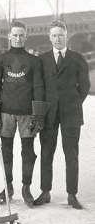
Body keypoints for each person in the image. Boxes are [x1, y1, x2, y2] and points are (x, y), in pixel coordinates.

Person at [0, 21, 46, 207]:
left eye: (22, 35)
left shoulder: (34, 61)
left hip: (27, 114)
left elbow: (38, 87)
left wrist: (38, 115)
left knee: (28, 153)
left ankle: (26, 187)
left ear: (26, 37)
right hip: (5, 114)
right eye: (15, 34)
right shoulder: (1, 59)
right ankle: (8, 186)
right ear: (9, 36)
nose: (18, 38)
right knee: (6, 152)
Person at [35, 20, 90, 209]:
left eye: (61, 35)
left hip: (71, 114)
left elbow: (85, 87)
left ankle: (72, 194)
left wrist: (72, 103)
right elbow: (39, 87)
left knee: (71, 155)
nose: (58, 38)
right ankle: (45, 191)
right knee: (46, 153)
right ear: (49, 37)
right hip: (48, 114)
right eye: (54, 35)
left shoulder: (77, 58)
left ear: (66, 36)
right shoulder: (41, 60)